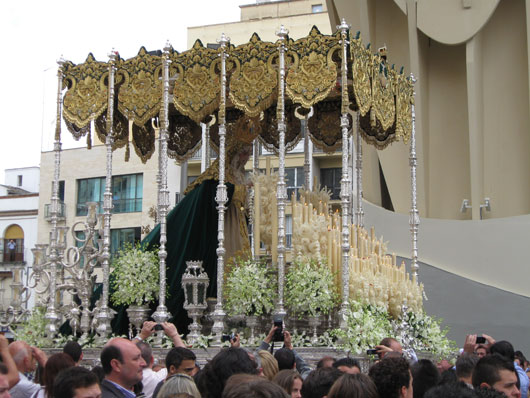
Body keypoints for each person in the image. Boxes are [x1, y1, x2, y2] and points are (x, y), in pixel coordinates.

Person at [141, 116, 258, 336]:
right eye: (243, 151)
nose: (246, 156)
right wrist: (242, 191)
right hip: (219, 237)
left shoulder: (240, 175)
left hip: (236, 233)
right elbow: (213, 199)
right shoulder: (216, 177)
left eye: (249, 151)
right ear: (232, 151)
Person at [134, 321, 187, 398]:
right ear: (152, 359)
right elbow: (186, 359)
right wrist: (174, 335)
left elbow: (122, 352)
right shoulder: (159, 376)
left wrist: (141, 335)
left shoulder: (126, 375)